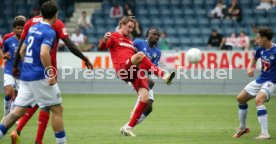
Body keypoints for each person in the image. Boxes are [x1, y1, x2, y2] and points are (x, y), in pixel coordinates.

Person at [11, 0, 93, 143]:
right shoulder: (56, 24)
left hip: (28, 70)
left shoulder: (31, 23)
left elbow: (20, 47)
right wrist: (84, 58)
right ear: (55, 13)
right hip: (47, 70)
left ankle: (17, 130)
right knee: (50, 106)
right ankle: (37, 140)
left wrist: (16, 66)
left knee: (34, 104)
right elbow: (70, 45)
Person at [0, 1, 67, 144]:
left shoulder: (32, 28)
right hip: (40, 76)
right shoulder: (49, 31)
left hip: (26, 77)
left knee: (16, 112)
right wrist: (50, 73)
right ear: (56, 14)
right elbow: (44, 54)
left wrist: (26, 66)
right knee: (57, 109)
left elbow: (21, 50)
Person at [99, 16, 175, 136]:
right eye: (129, 27)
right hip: (123, 68)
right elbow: (102, 47)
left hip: (134, 71)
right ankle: (164, 76)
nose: (130, 30)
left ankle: (128, 127)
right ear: (122, 24)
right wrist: (104, 40)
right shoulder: (113, 36)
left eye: (132, 28)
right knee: (140, 55)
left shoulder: (130, 42)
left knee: (145, 98)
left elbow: (141, 61)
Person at [233, 27, 275, 140]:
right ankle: (243, 128)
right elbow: (254, 59)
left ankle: (265, 134)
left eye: (258, 38)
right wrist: (249, 68)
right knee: (240, 99)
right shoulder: (260, 49)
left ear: (265, 38)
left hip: (272, 82)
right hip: (261, 80)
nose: (256, 40)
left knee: (259, 100)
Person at [131, 27, 161, 126]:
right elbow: (127, 53)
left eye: (158, 35)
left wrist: (146, 63)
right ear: (148, 34)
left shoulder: (157, 52)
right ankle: (133, 116)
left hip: (144, 75)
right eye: (154, 34)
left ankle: (131, 124)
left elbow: (153, 68)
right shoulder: (138, 42)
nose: (156, 36)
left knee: (149, 107)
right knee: (151, 83)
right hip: (132, 72)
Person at [1, 17, 26, 118]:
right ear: (14, 29)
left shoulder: (27, 40)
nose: (20, 30)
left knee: (18, 97)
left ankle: (11, 115)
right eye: (18, 28)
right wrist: (3, 55)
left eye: (22, 28)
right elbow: (2, 50)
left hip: (22, 72)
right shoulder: (8, 39)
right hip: (9, 69)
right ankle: (6, 113)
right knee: (8, 93)